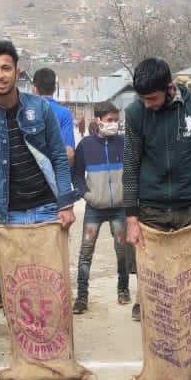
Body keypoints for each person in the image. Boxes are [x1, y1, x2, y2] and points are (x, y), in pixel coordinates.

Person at [123, 57, 191, 322]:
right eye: (142, 99)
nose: (147, 104)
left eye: (152, 98)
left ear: (168, 88)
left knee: (188, 274)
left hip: (190, 208)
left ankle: (186, 327)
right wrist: (131, 218)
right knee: (155, 275)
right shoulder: (135, 113)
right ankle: (158, 328)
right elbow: (130, 166)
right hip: (151, 210)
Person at [0, 41, 76, 232]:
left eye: (6, 68)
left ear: (17, 71)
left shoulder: (41, 108)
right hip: (4, 216)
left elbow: (59, 156)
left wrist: (66, 204)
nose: (0, 75)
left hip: (48, 210)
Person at [71, 101, 130, 314]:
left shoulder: (124, 143)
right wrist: (87, 195)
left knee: (122, 251)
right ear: (98, 120)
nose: (114, 124)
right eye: (109, 120)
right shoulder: (86, 145)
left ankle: (123, 289)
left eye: (116, 120)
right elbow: (77, 174)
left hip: (119, 208)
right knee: (86, 252)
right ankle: (82, 297)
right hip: (94, 209)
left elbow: (133, 170)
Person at [31, 67, 77, 165]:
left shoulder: (25, 112)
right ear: (55, 89)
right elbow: (69, 153)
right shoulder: (64, 113)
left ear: (34, 89)